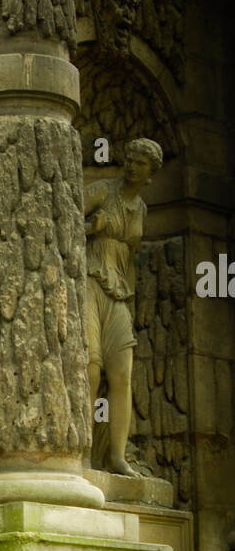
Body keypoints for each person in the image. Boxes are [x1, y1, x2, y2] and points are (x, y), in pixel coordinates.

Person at [84, 137, 163, 475]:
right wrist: (92, 227)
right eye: (129, 158)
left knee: (122, 374)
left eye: (140, 161)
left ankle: (116, 457)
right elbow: (57, 222)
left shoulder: (142, 208)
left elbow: (130, 257)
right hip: (88, 280)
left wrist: (129, 297)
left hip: (120, 292)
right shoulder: (101, 191)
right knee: (90, 370)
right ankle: (81, 453)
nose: (132, 165)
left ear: (151, 171)